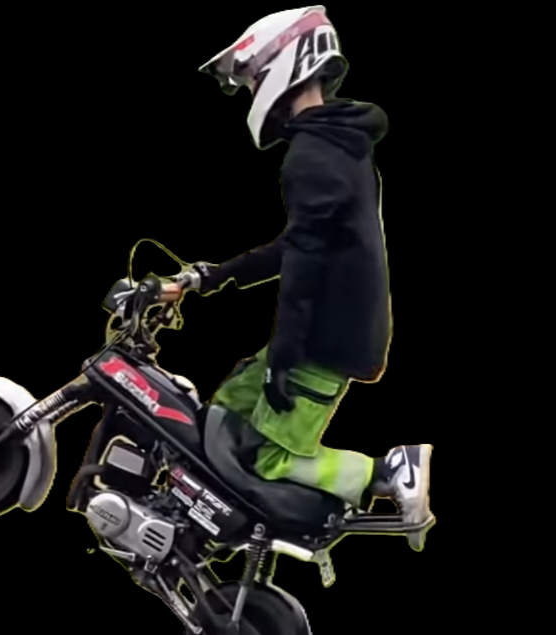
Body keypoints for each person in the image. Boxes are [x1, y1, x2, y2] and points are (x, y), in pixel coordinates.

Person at [176, 6, 433, 550]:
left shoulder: (312, 158)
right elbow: (299, 247)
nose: (252, 93)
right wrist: (209, 278)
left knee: (271, 458)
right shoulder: (341, 144)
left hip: (324, 343)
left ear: (281, 66)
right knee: (226, 412)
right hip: (330, 329)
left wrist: (283, 362)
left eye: (252, 80)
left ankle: (388, 471)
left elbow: (303, 269)